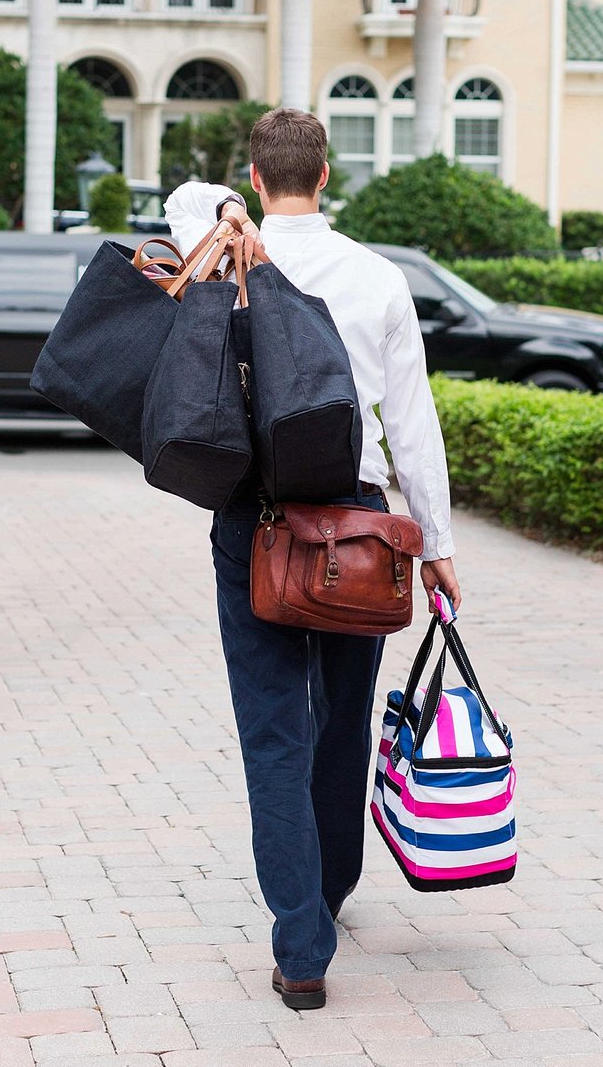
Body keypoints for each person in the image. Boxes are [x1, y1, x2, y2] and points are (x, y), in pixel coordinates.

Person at [166, 108, 460, 1013]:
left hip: (253, 525)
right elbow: (412, 425)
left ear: (253, 179)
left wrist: (228, 218)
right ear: (328, 175)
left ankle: (302, 945)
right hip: (359, 532)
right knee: (342, 720)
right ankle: (328, 890)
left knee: (273, 732)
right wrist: (438, 546)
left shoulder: (227, 250)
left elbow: (181, 200)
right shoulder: (378, 278)